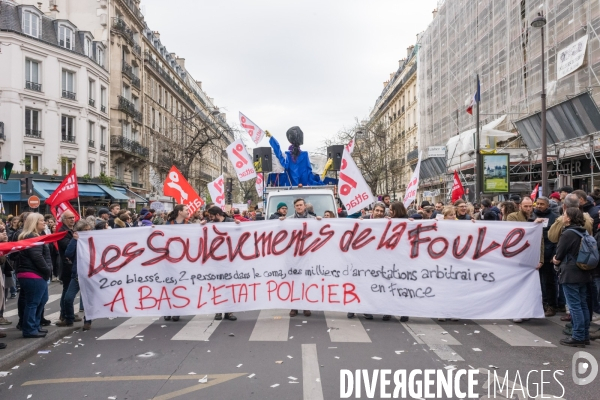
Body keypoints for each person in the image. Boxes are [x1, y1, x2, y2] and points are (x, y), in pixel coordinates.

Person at [552, 207, 592, 347]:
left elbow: (559, 254)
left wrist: (555, 259)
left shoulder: (568, 233)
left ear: (568, 218)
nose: (563, 217)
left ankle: (578, 336)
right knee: (582, 305)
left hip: (570, 273)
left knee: (575, 307)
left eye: (564, 215)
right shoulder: (583, 231)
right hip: (583, 272)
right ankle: (585, 335)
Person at [506, 197, 545, 323]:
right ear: (520, 206)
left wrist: (541, 259)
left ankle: (526, 310)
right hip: (516, 257)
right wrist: (534, 225)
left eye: (530, 206)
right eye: (525, 206)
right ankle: (516, 311)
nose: (528, 209)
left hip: (531, 257)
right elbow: (516, 231)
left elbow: (541, 241)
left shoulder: (536, 217)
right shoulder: (513, 217)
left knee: (529, 287)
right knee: (516, 286)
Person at [201, 207, 240, 321]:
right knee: (217, 286)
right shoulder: (210, 224)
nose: (210, 218)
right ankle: (217, 311)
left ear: (218, 214)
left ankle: (229, 311)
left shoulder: (231, 222)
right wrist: (202, 224)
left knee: (229, 286)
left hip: (229, 259)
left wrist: (239, 225)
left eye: (211, 216)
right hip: (215, 260)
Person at [17, 213, 52, 338]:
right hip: (33, 273)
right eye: (42, 221)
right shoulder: (32, 237)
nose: (45, 223)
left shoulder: (35, 236)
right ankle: (30, 329)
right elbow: (37, 257)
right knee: (33, 302)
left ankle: (35, 326)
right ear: (35, 223)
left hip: (32, 273)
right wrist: (47, 270)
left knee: (41, 300)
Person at [284, 199, 319, 317]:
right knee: (294, 281)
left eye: (301, 205)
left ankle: (306, 306)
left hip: (307, 255)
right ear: (294, 207)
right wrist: (279, 222)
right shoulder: (288, 220)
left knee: (306, 281)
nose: (299, 207)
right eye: (297, 205)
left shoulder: (312, 219)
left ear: (305, 206)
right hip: (293, 256)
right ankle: (294, 307)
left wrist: (321, 221)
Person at [57, 220, 93, 330]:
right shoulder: (76, 240)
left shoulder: (93, 240)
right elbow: (68, 253)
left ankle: (88, 321)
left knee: (88, 300)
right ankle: (69, 318)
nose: (87, 232)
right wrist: (74, 240)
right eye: (84, 230)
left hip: (91, 275)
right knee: (68, 298)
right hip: (77, 275)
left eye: (88, 230)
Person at [533, 196, 560, 317]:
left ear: (547, 205)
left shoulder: (554, 218)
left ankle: (551, 305)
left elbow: (556, 238)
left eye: (542, 204)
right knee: (536, 282)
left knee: (549, 281)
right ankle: (540, 304)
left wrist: (554, 253)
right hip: (534, 254)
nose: (539, 206)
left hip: (548, 254)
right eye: (537, 204)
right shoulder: (532, 215)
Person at [57, 211, 81, 324]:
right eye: (69, 218)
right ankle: (64, 314)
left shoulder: (72, 230)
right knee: (67, 291)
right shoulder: (62, 232)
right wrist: (75, 240)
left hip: (72, 265)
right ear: (64, 219)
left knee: (68, 291)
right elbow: (67, 246)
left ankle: (68, 312)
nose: (72, 219)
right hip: (67, 266)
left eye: (73, 217)